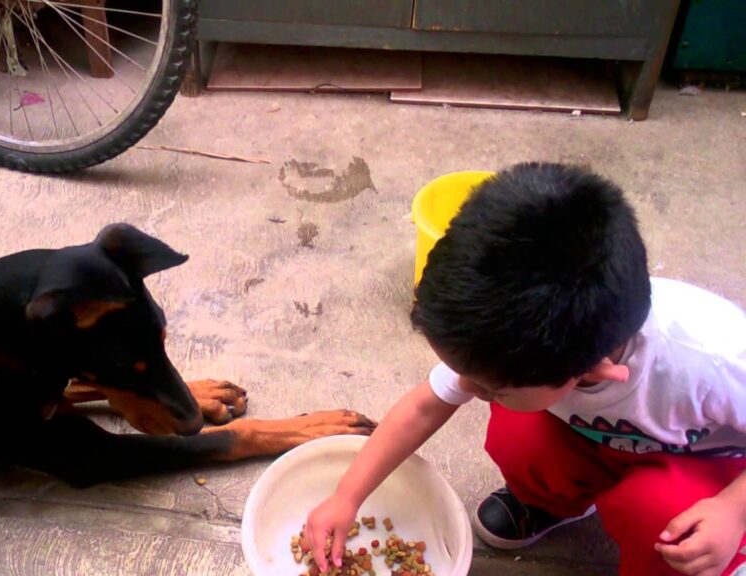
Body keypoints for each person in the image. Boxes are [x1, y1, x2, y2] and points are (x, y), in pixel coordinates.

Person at [305, 163, 746, 576]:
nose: (470, 387)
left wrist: (732, 512)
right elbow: (423, 407)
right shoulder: (520, 337)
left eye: (492, 388)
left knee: (661, 523)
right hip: (600, 435)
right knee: (517, 434)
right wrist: (347, 496)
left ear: (594, 371)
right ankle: (554, 503)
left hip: (702, 464)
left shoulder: (711, 360)